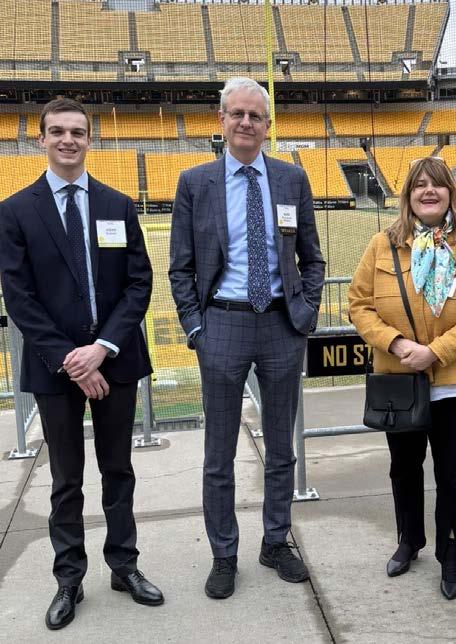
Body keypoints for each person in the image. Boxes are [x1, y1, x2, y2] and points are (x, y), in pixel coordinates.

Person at [0, 98, 163, 630]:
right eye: (57, 132)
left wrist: (102, 348)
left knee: (119, 471)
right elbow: (19, 297)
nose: (67, 140)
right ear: (41, 139)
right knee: (66, 479)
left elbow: (139, 283)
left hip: (114, 362)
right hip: (55, 369)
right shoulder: (15, 211)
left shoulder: (118, 205)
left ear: (90, 139)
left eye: (77, 131)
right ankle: (69, 578)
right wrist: (72, 360)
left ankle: (124, 566)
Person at [169, 77, 325, 599]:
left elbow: (312, 256)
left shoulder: (291, 179)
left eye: (255, 116)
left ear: (267, 125)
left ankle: (275, 541)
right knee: (219, 455)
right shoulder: (195, 183)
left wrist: (305, 313)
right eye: (236, 113)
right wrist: (197, 329)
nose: (245, 122)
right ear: (221, 120)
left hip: (281, 325)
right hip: (222, 325)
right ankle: (224, 554)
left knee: (281, 448)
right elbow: (180, 267)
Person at [348, 157, 456, 600]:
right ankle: (409, 540)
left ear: (451, 193)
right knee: (404, 469)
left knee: (453, 474)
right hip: (399, 382)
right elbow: (359, 304)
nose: (428, 192)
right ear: (408, 195)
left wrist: (434, 352)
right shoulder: (382, 244)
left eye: (437, 185)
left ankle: (452, 555)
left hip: (454, 384)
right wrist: (396, 344)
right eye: (419, 185)